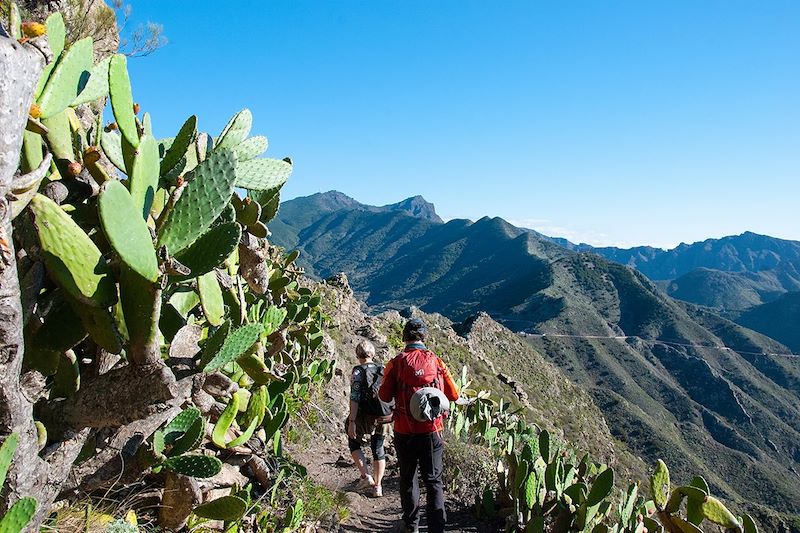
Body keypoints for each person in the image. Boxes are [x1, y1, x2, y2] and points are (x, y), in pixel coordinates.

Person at [379, 318, 460, 533]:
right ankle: (437, 528)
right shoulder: (437, 362)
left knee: (408, 478)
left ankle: (411, 526)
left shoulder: (396, 362)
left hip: (404, 430)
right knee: (434, 481)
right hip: (432, 431)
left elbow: (384, 395)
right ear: (424, 337)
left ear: (404, 338)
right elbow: (454, 394)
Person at [346, 340, 391, 498]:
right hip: (384, 414)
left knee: (353, 442)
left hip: (365, 415)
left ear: (358, 354)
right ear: (372, 353)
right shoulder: (382, 368)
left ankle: (366, 477)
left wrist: (352, 421)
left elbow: (355, 397)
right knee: (378, 448)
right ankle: (378, 487)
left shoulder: (358, 371)